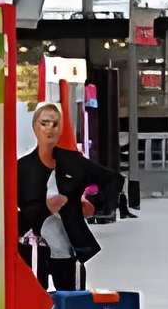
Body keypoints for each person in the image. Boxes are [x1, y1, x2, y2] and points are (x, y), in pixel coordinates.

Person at [16, 102, 108, 292]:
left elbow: (110, 181)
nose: (49, 129)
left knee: (72, 302)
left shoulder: (72, 163)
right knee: (34, 306)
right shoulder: (22, 168)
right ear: (35, 127)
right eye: (44, 123)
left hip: (67, 248)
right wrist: (46, 208)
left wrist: (92, 205)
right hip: (34, 248)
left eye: (55, 124)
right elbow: (17, 219)